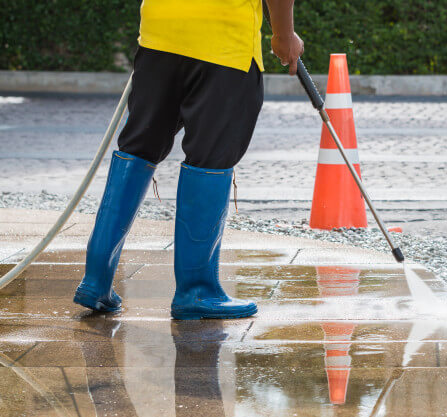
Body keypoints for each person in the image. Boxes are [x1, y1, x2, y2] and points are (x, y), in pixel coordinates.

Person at [73, 0, 304, 320]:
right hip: (223, 43)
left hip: (159, 36)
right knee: (211, 158)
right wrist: (284, 35)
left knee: (138, 147)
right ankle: (197, 291)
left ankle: (96, 279)